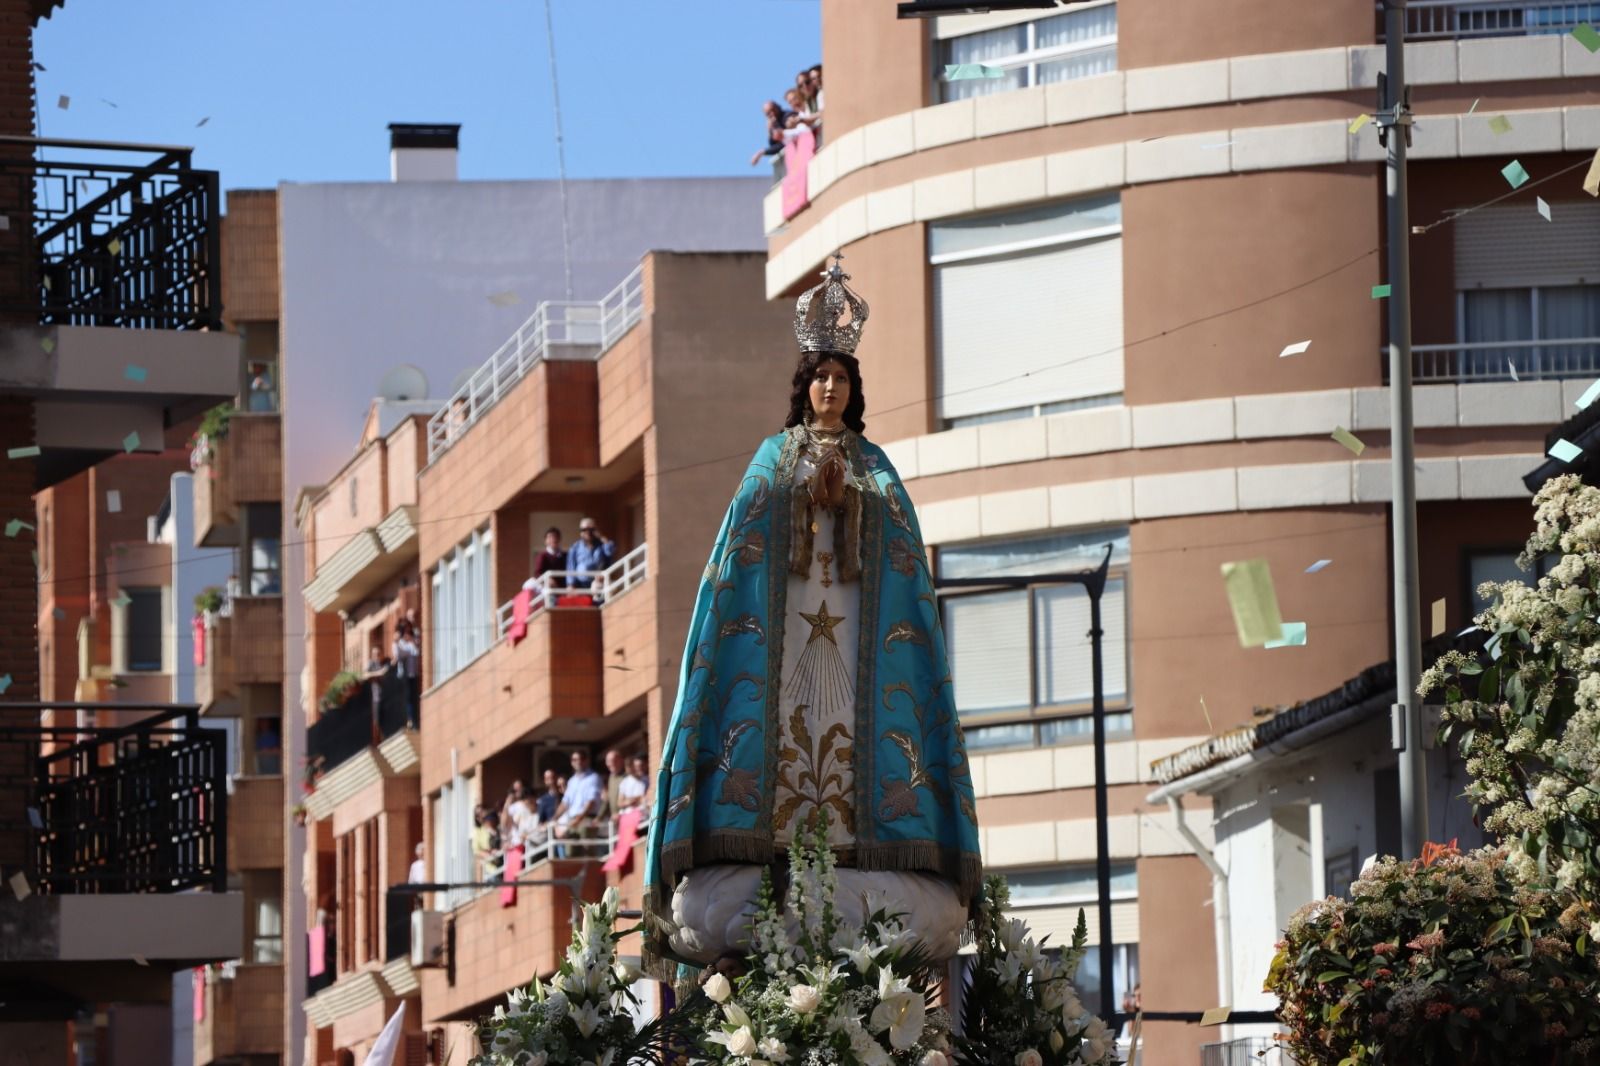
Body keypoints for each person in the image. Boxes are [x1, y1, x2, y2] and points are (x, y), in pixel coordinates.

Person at [644, 254, 980, 970]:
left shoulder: (876, 468)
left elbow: (902, 558)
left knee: (852, 737)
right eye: (821, 377)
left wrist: (850, 501)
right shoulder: (772, 459)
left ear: (853, 391)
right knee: (781, 733)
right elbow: (744, 539)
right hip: (786, 635)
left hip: (858, 639)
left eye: (842, 379)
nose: (831, 388)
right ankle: (769, 844)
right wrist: (802, 497)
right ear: (805, 387)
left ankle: (860, 845)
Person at [553, 750, 605, 856]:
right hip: (573, 820)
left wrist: (579, 819)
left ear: (586, 761)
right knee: (570, 853)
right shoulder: (572, 781)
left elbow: (591, 801)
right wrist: (554, 818)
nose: (578, 762)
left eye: (580, 759)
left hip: (587, 818)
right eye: (574, 760)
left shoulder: (593, 778)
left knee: (587, 851)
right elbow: (565, 802)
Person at [566, 518, 616, 593]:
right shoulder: (575, 547)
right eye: (584, 530)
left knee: (611, 587)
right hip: (581, 584)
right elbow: (571, 567)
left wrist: (601, 537)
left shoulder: (601, 545)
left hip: (599, 581)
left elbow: (610, 551)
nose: (588, 532)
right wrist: (571, 584)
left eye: (591, 530)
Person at [392, 620, 421, 729]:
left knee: (414, 696)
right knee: (407, 697)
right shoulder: (398, 643)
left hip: (414, 673)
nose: (407, 633)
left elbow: (416, 652)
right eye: (405, 631)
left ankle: (415, 719)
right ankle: (409, 719)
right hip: (404, 674)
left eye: (408, 631)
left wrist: (413, 642)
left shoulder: (412, 642)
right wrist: (398, 643)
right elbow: (399, 655)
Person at [749, 99, 793, 167]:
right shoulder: (775, 123)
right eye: (768, 113)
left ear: (778, 107)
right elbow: (774, 145)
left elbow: (785, 142)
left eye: (773, 110)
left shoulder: (788, 116)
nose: (772, 114)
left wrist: (761, 152)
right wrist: (770, 130)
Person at [602, 748, 626, 821]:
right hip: (614, 818)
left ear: (621, 761)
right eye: (608, 761)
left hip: (626, 817)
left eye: (614, 760)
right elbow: (607, 801)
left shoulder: (627, 777)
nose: (611, 763)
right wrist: (599, 818)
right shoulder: (611, 778)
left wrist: (621, 813)